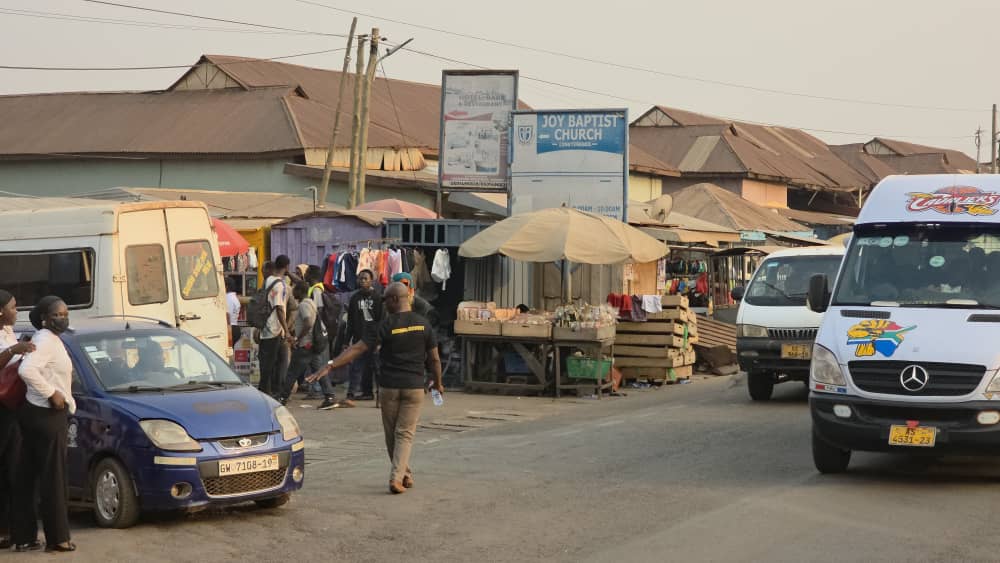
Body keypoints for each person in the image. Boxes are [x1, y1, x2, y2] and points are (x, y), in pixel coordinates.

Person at [308, 283, 442, 494]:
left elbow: (357, 348)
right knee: (404, 433)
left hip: (389, 387)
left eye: (386, 299)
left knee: (393, 434)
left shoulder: (383, 325)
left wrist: (331, 365)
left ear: (395, 299)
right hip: (414, 387)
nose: (383, 304)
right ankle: (402, 474)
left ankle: (397, 477)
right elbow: (434, 359)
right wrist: (438, 383)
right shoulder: (423, 324)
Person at [12, 296, 75, 553]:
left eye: (66, 313)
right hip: (47, 415)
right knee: (53, 478)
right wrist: (52, 393)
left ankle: (24, 536)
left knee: (26, 476)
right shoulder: (46, 340)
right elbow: (26, 370)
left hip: (34, 413)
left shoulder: (50, 340)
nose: (63, 318)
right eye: (57, 314)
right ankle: (58, 539)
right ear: (44, 319)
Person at [279, 282, 352, 410]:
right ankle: (329, 397)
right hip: (312, 345)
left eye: (295, 289)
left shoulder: (304, 305)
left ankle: (282, 398)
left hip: (306, 344)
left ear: (300, 291)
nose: (293, 292)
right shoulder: (311, 302)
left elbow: (308, 322)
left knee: (292, 372)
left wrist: (298, 338)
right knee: (319, 371)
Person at [0, 291, 34, 550]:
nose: (17, 310)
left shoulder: (8, 331)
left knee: (11, 469)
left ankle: (11, 529)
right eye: (13, 307)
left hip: (12, 406)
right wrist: (14, 350)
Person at [258, 256, 293, 397]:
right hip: (274, 329)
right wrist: (286, 330)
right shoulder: (280, 284)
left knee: (268, 362)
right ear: (287, 267)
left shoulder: (268, 281)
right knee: (273, 363)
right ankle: (267, 391)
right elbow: (279, 308)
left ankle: (269, 391)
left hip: (266, 327)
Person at [345, 269, 381, 401]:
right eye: (361, 278)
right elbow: (350, 321)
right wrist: (346, 341)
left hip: (373, 339)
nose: (363, 281)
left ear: (371, 280)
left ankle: (379, 393)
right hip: (359, 339)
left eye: (365, 278)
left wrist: (379, 341)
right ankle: (352, 393)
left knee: (376, 368)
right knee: (356, 367)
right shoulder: (355, 298)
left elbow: (380, 320)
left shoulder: (377, 298)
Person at [225, 276, 242, 347]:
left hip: (230, 328)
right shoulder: (235, 298)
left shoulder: (228, 298)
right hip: (235, 327)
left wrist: (227, 331)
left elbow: (227, 315)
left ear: (226, 286)